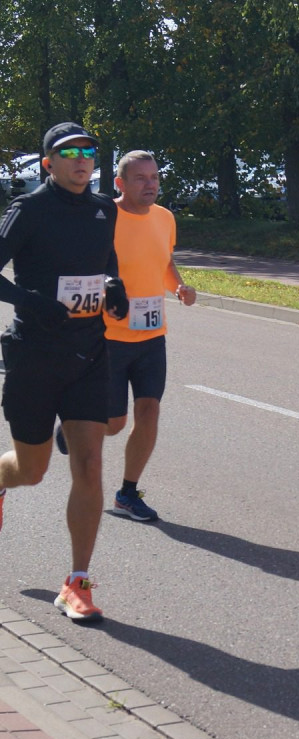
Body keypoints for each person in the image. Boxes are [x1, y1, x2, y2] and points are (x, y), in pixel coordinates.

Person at [0, 122, 129, 621]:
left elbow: (107, 260)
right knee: (32, 471)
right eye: (69, 152)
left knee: (90, 463)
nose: (82, 160)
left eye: (89, 151)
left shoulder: (103, 210)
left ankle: (78, 582)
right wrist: (28, 299)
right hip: (34, 354)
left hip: (89, 353)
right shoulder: (29, 209)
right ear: (47, 163)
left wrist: (113, 286)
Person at [56, 151, 196, 522]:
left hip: (152, 336)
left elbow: (164, 260)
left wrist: (179, 286)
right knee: (114, 423)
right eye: (140, 178)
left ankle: (127, 493)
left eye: (154, 178)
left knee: (149, 411)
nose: (150, 185)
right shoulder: (104, 218)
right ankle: (71, 427)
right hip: (108, 337)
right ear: (120, 183)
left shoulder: (165, 217)